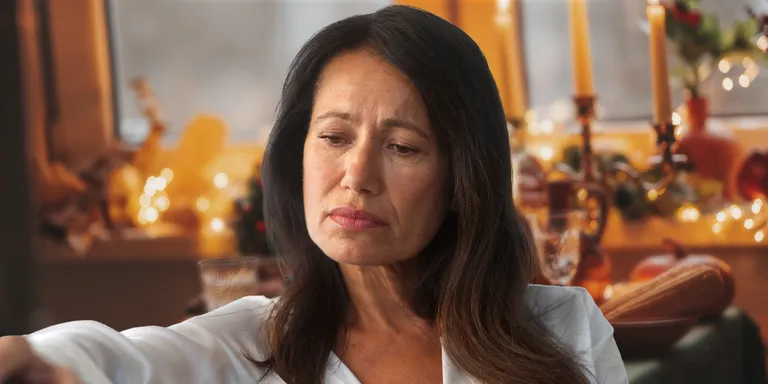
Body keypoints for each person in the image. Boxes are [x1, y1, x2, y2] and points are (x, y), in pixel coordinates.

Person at [0, 5, 627, 384]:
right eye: (332, 136)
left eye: (403, 147)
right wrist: (27, 355)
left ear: (462, 177)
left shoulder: (564, 329)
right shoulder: (248, 346)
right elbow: (116, 360)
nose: (357, 174)